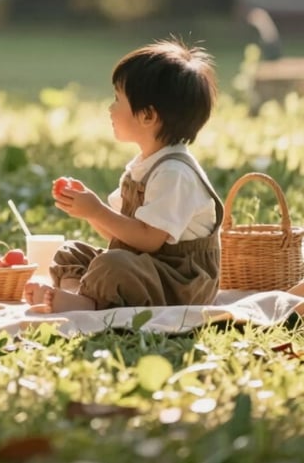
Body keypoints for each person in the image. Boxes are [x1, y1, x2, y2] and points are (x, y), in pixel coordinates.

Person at [25, 38, 224, 313]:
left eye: (118, 99)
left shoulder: (174, 173)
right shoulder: (143, 165)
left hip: (178, 284)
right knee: (71, 251)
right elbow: (121, 232)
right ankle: (74, 295)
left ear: (147, 116)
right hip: (144, 265)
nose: (110, 108)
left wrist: (96, 210)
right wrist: (88, 211)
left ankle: (84, 301)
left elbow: (148, 239)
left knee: (112, 265)